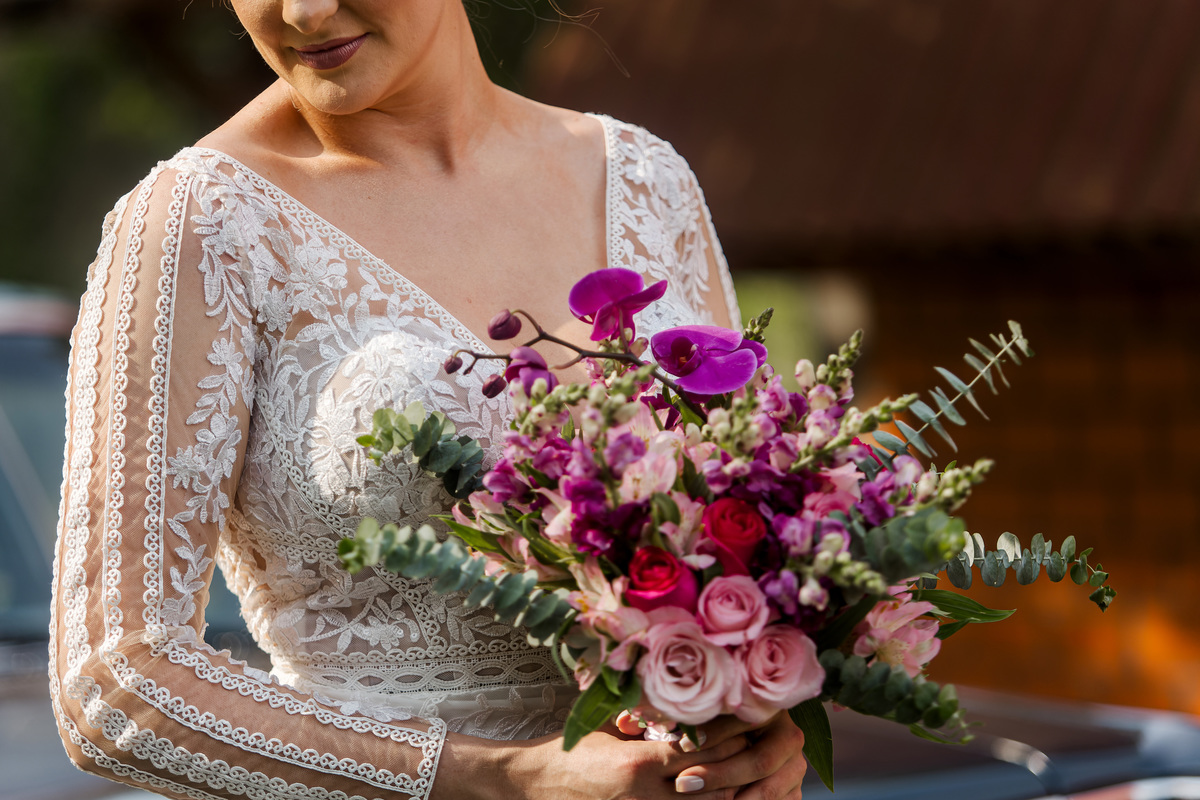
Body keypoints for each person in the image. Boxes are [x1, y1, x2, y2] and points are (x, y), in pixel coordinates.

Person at [49, 2, 808, 798]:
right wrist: (508, 781)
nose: (302, 11)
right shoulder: (200, 225)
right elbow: (115, 684)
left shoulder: (647, 179)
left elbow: (760, 526)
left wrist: (763, 734)